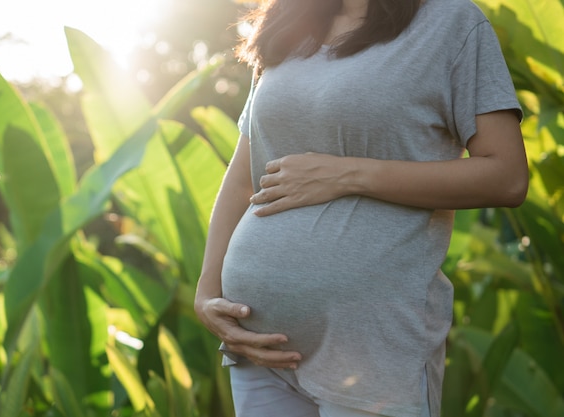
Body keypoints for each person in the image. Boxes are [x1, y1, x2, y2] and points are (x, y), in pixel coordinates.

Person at [194, 0, 528, 416]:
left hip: (374, 354)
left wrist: (349, 175)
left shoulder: (452, 23)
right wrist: (206, 294)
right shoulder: (288, 23)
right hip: (259, 350)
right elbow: (244, 177)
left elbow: (507, 176)